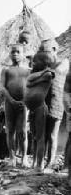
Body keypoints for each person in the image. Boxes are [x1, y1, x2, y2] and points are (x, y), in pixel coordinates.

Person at [24, 50, 56, 172]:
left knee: (41, 137)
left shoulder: (49, 74)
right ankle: (35, 163)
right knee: (35, 136)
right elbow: (28, 80)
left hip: (40, 108)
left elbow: (29, 81)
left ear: (43, 63)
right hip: (32, 109)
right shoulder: (41, 73)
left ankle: (40, 165)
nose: (33, 62)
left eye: (35, 61)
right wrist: (36, 77)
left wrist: (32, 82)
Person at [40, 39, 69, 170]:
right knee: (43, 135)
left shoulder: (63, 62)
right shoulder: (45, 67)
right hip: (44, 103)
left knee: (52, 134)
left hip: (56, 103)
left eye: (46, 52)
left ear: (54, 50)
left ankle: (50, 162)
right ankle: (41, 161)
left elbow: (58, 71)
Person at [1, 44, 30, 167]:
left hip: (23, 104)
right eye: (13, 52)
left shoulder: (28, 71)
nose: (15, 54)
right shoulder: (6, 70)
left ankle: (24, 158)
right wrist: (11, 100)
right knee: (10, 131)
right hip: (9, 103)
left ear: (23, 54)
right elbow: (2, 87)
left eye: (18, 52)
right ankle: (12, 157)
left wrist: (26, 100)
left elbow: (31, 87)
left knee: (22, 131)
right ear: (9, 54)